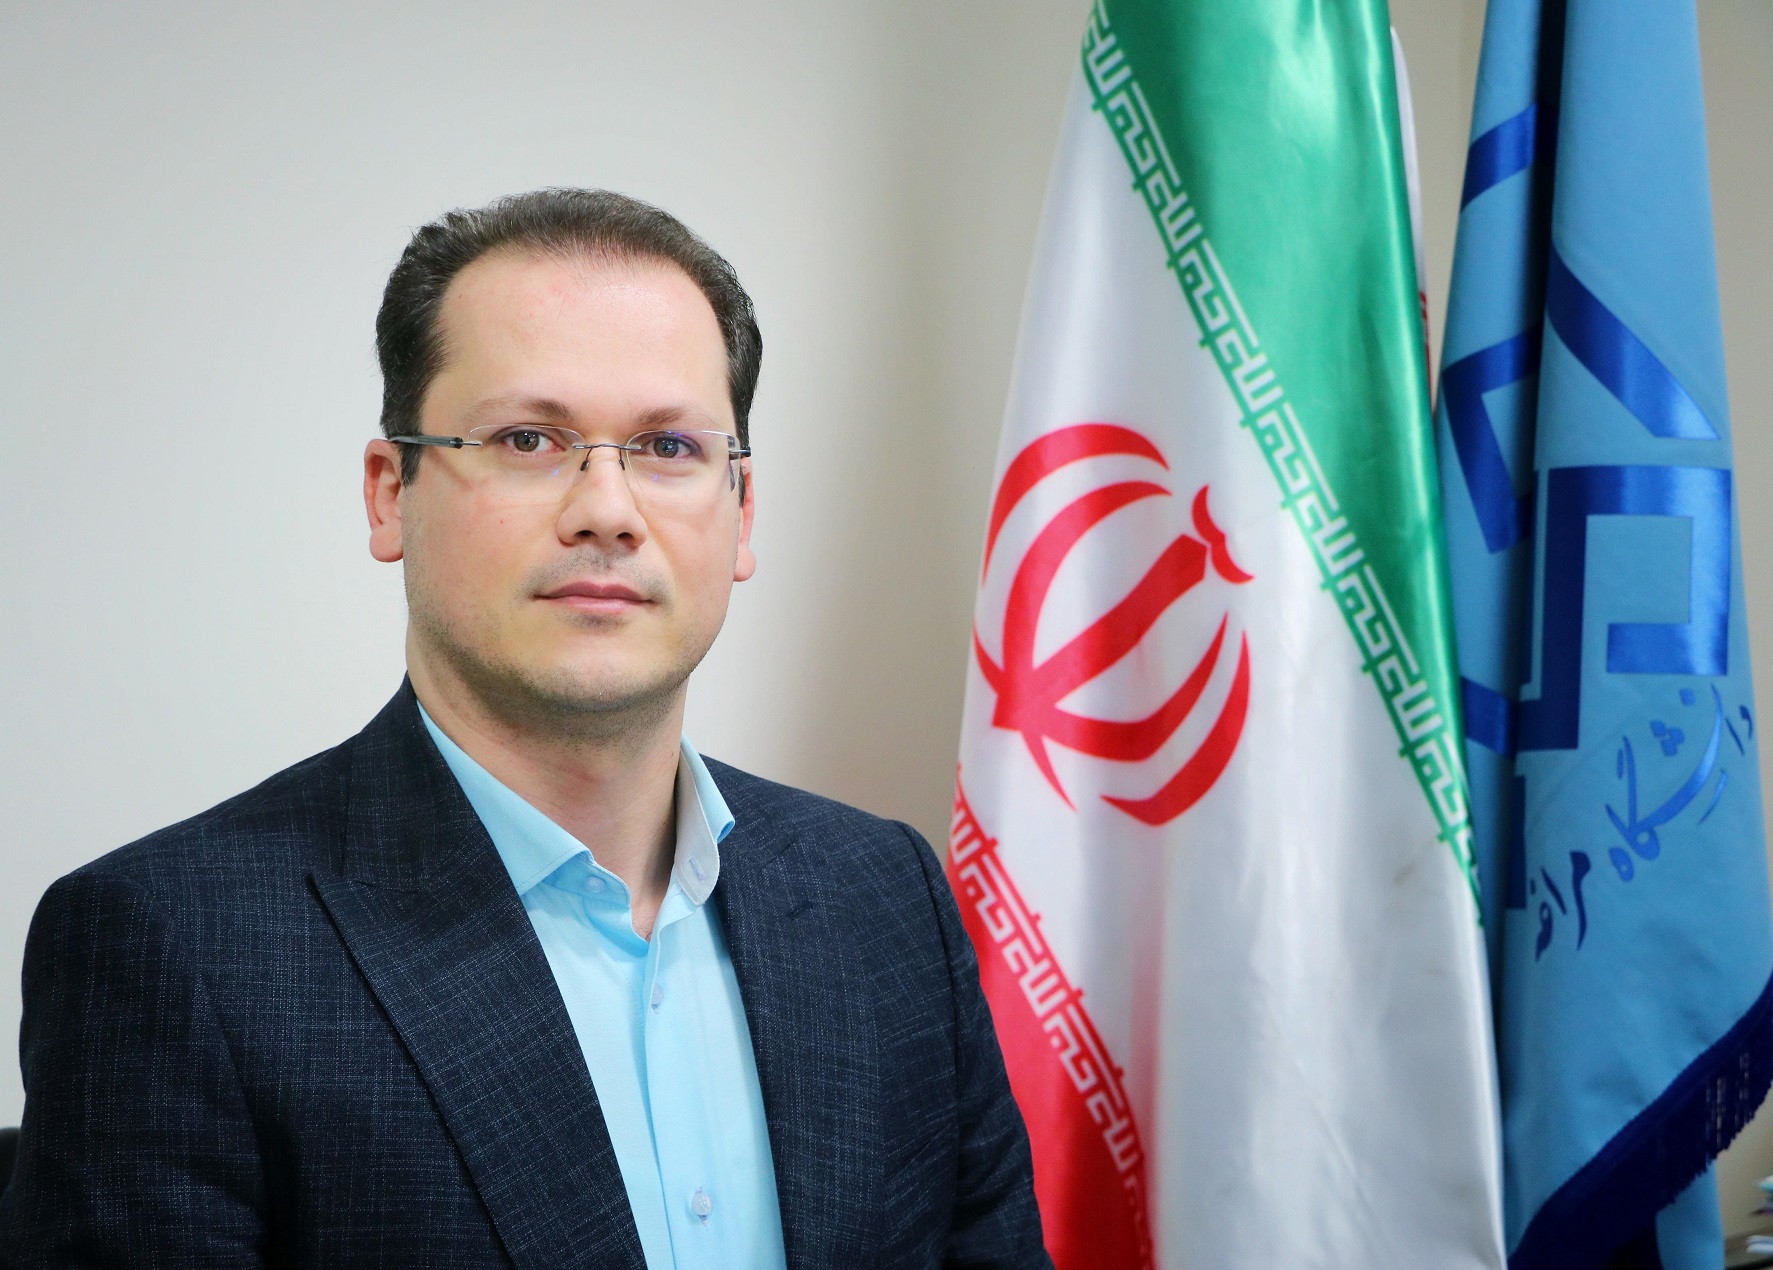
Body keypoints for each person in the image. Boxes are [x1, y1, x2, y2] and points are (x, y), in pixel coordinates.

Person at [0, 189, 1048, 1268]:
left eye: (669, 445)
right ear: (389, 494)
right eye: (529, 438)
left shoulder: (886, 897)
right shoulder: (173, 949)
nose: (608, 510)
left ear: (742, 512)